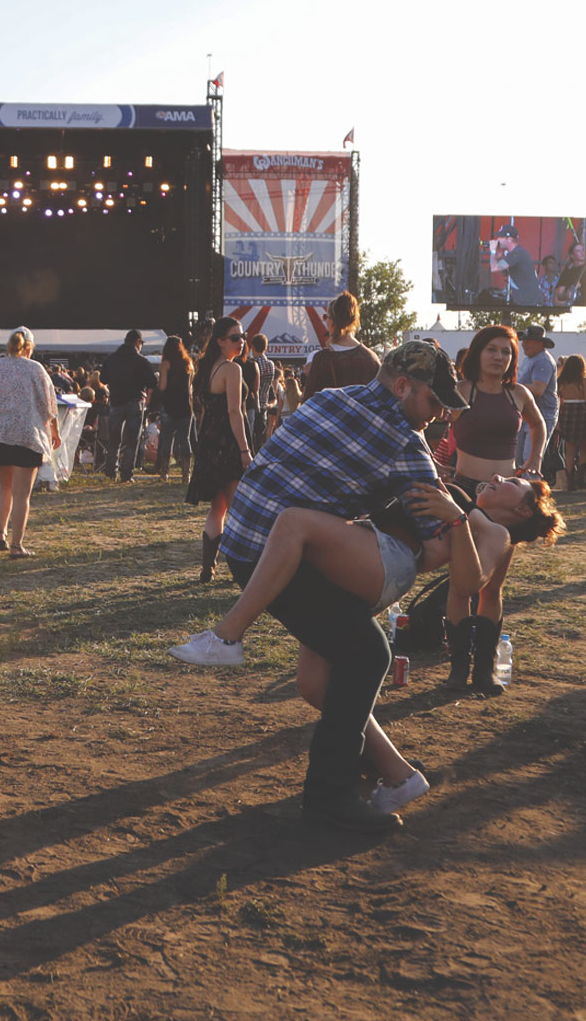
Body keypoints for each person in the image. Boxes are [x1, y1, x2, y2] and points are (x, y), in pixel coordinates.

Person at [188, 340, 470, 831]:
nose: (440, 414)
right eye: (434, 401)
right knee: (366, 655)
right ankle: (330, 797)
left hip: (242, 543)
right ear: (403, 386)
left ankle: (388, 773)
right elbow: (438, 542)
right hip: (284, 556)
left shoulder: (328, 398)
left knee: (336, 668)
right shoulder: (405, 443)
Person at [173, 471, 562, 783]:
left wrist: (456, 519)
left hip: (373, 574)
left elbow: (466, 586)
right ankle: (395, 770)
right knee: (314, 685)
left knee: (296, 526)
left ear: (525, 510)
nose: (498, 478)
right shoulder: (460, 495)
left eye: (512, 484)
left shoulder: (495, 533)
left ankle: (229, 634)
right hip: (359, 561)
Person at [0, 327, 61, 558]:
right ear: (29, 348)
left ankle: (1, 532)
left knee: (5, 486)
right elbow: (49, 405)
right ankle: (16, 545)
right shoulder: (35, 369)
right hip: (26, 435)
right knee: (22, 494)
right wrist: (55, 432)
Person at [185, 317, 252, 584]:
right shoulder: (231, 370)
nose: (241, 342)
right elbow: (234, 412)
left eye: (243, 336)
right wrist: (245, 450)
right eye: (235, 338)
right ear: (221, 341)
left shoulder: (207, 368)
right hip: (228, 443)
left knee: (219, 508)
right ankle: (242, 568)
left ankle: (208, 568)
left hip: (210, 441)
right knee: (238, 509)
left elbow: (202, 409)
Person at [451, 326, 544, 500]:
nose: (498, 357)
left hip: (507, 491)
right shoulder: (460, 391)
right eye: (491, 349)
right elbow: (424, 424)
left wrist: (535, 458)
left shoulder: (519, 393)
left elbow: (538, 424)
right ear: (477, 353)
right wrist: (433, 463)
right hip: (465, 490)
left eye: (506, 352)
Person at [97, 330, 155, 483]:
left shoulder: (112, 358)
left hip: (116, 402)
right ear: (137, 342)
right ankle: (126, 474)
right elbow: (152, 382)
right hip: (135, 402)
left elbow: (103, 378)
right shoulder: (141, 361)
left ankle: (111, 472)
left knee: (114, 440)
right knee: (132, 441)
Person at [303, 292, 381, 396]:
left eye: (326, 317)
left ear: (332, 321)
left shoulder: (322, 359)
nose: (326, 321)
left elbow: (309, 403)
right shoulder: (372, 359)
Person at [516, 325, 558, 474]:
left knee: (530, 460)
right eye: (524, 340)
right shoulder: (529, 359)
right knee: (519, 460)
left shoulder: (543, 361)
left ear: (541, 343)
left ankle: (532, 492)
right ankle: (520, 493)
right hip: (527, 413)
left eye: (529, 340)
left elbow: (538, 389)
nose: (524, 344)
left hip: (542, 414)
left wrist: (511, 386)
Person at [151, 335, 193, 480]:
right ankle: (186, 473)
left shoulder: (166, 364)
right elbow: (190, 387)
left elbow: (162, 387)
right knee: (184, 439)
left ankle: (164, 472)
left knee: (167, 439)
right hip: (185, 406)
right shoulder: (188, 363)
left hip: (169, 405)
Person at [553, 354, 586, 491]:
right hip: (582, 411)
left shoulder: (561, 380)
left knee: (569, 449)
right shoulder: (584, 380)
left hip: (567, 412)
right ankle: (580, 478)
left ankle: (570, 481)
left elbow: (558, 400)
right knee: (585, 447)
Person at [490, 225, 540, 306]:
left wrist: (492, 251)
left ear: (509, 239)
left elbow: (493, 268)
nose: (498, 240)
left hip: (529, 300)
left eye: (500, 237)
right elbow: (504, 273)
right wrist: (499, 258)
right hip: (523, 298)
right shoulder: (514, 254)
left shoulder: (517, 253)